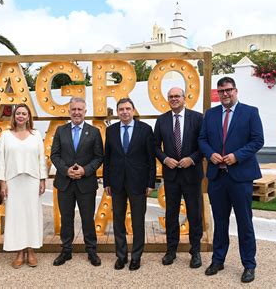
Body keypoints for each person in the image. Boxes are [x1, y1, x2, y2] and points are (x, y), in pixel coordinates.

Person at [198, 77, 264, 283]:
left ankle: (249, 265)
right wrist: (210, 155)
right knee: (220, 221)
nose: (224, 94)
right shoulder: (210, 114)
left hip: (240, 177)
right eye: (221, 91)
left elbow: (258, 140)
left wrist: (237, 156)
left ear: (236, 90)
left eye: (228, 90)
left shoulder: (250, 112)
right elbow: (202, 139)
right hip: (217, 177)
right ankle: (218, 260)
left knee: (245, 222)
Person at [153, 87, 204, 268]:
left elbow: (204, 144)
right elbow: (155, 146)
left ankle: (195, 251)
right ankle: (171, 250)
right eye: (171, 97)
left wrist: (192, 159)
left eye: (177, 96)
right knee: (171, 214)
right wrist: (165, 159)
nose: (174, 99)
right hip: (172, 176)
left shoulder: (197, 118)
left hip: (192, 174)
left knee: (194, 214)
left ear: (184, 98)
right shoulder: (162, 120)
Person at [103, 98, 156, 271]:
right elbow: (108, 158)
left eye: (127, 108)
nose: (124, 112)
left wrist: (150, 182)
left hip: (138, 183)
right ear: (117, 112)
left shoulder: (145, 130)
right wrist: (106, 182)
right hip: (117, 183)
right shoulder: (110, 131)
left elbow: (150, 159)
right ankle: (121, 256)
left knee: (138, 221)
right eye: (121, 109)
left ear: (133, 110)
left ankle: (136, 256)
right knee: (118, 221)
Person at [50, 97, 103, 267]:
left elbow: (99, 157)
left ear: (85, 112)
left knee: (88, 218)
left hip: (85, 182)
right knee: (66, 218)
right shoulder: (60, 130)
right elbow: (55, 155)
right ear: (69, 111)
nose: (76, 112)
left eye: (80, 109)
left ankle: (91, 250)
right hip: (65, 182)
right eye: (73, 109)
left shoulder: (94, 132)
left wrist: (85, 170)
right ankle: (66, 251)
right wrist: (66, 170)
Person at [0, 104, 47, 268]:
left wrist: (42, 179)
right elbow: (1, 160)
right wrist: (2, 183)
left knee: (32, 216)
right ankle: (19, 251)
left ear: (28, 116)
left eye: (24, 113)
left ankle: (31, 251)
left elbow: (41, 159)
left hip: (32, 181)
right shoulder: (5, 135)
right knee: (16, 217)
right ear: (14, 116)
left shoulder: (36, 135)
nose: (21, 116)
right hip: (13, 182)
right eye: (18, 113)